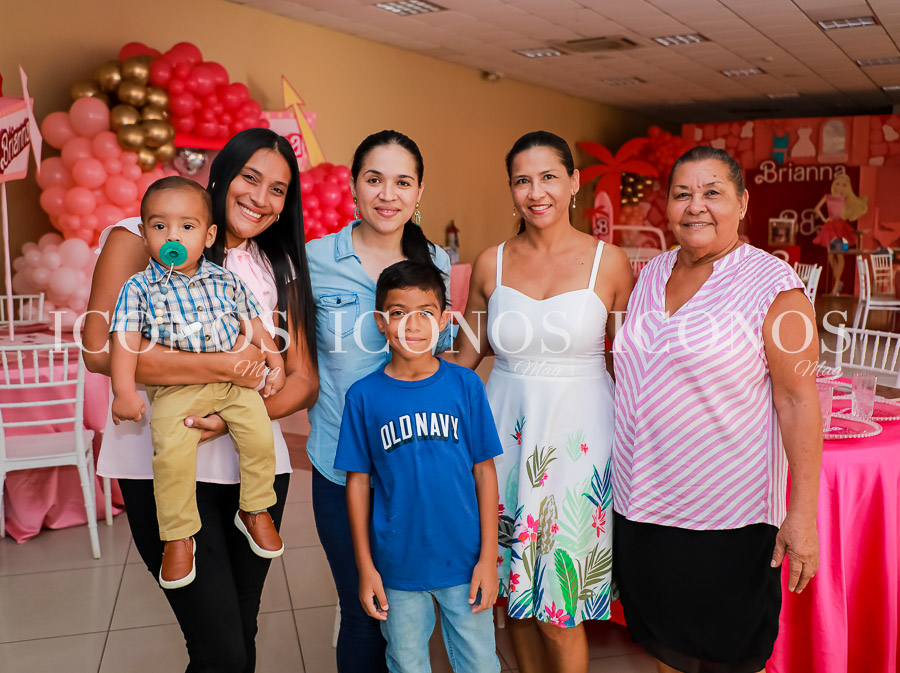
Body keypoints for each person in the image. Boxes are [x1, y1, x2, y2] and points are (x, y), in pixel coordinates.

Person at [83, 128, 318, 673]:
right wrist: (218, 365)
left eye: (278, 189)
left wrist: (234, 417)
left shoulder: (276, 266)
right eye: (250, 178)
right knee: (221, 650)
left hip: (253, 467)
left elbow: (302, 378)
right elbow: (100, 348)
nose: (261, 198)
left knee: (239, 634)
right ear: (220, 175)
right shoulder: (138, 237)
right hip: (158, 460)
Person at [611, 145, 821, 673]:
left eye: (712, 193)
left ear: (743, 203)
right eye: (682, 194)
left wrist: (802, 516)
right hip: (642, 508)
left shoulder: (774, 289)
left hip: (727, 520)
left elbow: (799, 402)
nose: (695, 206)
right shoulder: (651, 273)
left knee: (725, 658)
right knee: (660, 646)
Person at [447, 131, 633, 673]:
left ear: (574, 182)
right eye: (522, 180)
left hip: (580, 447)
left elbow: (629, 366)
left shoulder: (611, 263)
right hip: (503, 437)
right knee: (512, 598)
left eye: (549, 176)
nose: (536, 191)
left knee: (560, 608)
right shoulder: (491, 263)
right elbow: (466, 357)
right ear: (511, 190)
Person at [305, 129, 451, 672]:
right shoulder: (317, 259)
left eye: (402, 181)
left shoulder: (435, 259)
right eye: (374, 179)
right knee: (366, 610)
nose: (387, 194)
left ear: (418, 193)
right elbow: (290, 355)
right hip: (342, 470)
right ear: (352, 186)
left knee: (414, 611)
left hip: (418, 467)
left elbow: (447, 359)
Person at [109, 176, 287, 590]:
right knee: (171, 457)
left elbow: (253, 323)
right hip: (178, 389)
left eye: (187, 227)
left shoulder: (225, 280)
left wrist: (274, 358)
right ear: (143, 233)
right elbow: (124, 341)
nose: (173, 236)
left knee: (259, 438)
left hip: (235, 386)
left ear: (208, 236)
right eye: (159, 226)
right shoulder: (139, 288)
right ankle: (178, 536)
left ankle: (256, 509)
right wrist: (123, 392)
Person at [335, 260, 502, 673]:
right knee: (407, 663)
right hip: (397, 563)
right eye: (398, 313)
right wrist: (366, 567)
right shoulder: (364, 396)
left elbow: (484, 472)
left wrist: (488, 557)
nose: (412, 325)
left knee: (480, 662)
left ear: (444, 320)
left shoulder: (465, 385)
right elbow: (357, 485)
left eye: (425, 312)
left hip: (465, 560)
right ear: (380, 322)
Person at [813, 173, 868, 294]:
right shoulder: (828, 196)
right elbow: (817, 208)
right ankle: (837, 281)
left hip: (840, 227)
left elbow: (847, 211)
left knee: (839, 254)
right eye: (838, 183)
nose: (840, 186)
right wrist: (824, 218)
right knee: (831, 255)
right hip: (830, 226)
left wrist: (844, 213)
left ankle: (837, 283)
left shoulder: (846, 199)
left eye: (843, 185)